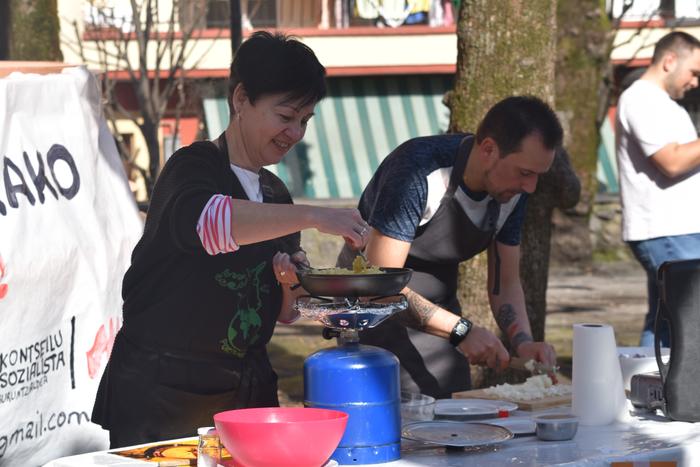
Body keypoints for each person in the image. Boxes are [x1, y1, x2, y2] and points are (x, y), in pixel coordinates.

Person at [92, 31, 370, 448]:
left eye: (305, 121)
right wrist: (316, 215)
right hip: (163, 394)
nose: (295, 133)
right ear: (241, 99)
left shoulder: (276, 194)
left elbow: (285, 314)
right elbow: (212, 225)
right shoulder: (191, 168)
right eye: (285, 116)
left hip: (247, 390)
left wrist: (289, 284)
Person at [337, 96, 561, 399]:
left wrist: (524, 343)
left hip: (442, 321)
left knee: (453, 420)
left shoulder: (513, 192)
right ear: (488, 150)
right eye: (524, 173)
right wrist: (461, 331)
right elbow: (379, 286)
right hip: (371, 319)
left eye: (537, 175)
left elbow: (505, 285)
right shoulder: (418, 169)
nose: (531, 187)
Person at [616, 31, 700, 348]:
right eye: (694, 72)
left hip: (678, 231)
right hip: (666, 231)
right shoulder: (640, 99)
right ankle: (672, 394)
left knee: (667, 321)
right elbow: (672, 161)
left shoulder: (667, 105)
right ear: (669, 61)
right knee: (686, 321)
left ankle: (651, 393)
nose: (695, 82)